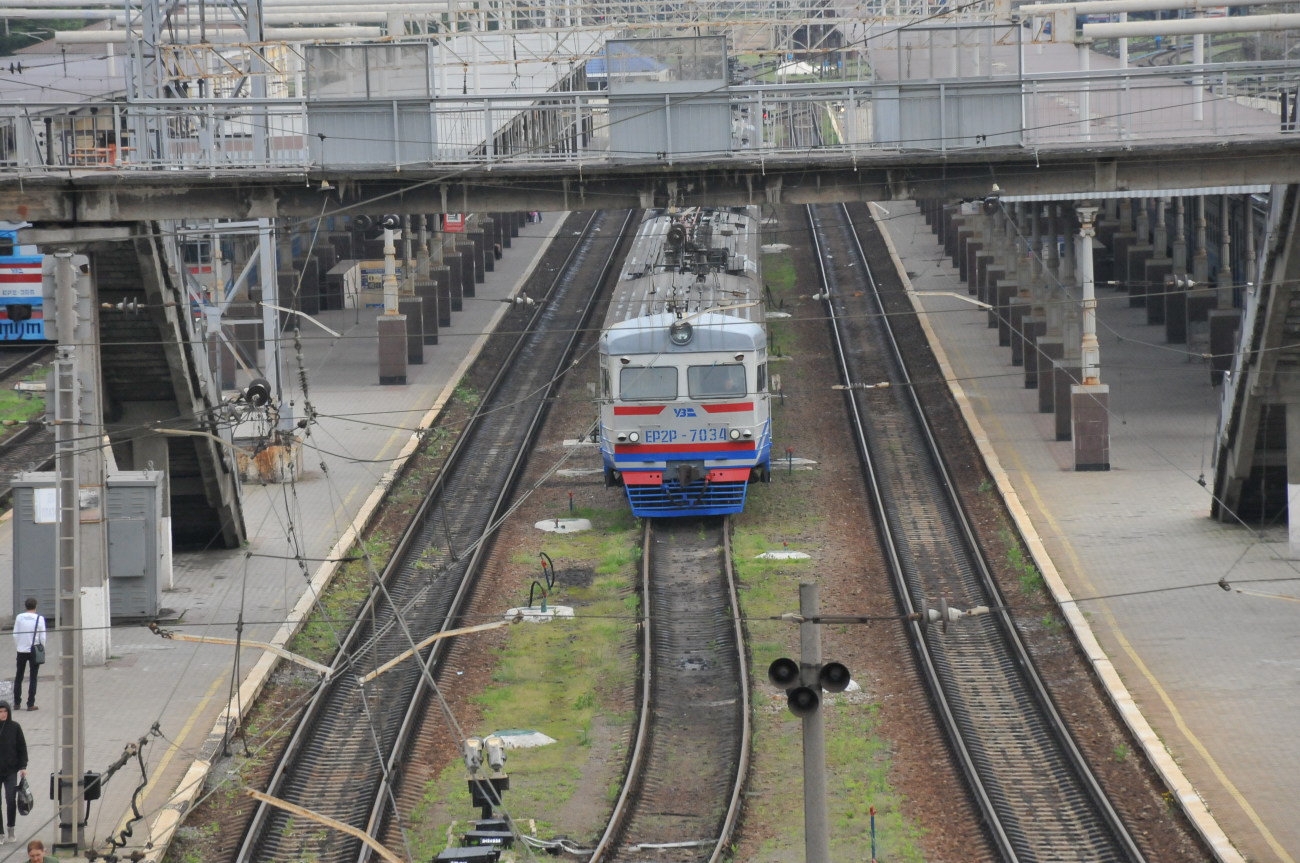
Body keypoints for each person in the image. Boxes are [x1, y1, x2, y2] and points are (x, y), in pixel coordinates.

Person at [0, 703, 27, 844]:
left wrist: (23, 766)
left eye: (5, 711)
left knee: (10, 800)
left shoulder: (14, 727)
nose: (3, 714)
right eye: (0, 711)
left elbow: (22, 747)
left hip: (10, 770)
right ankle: (0, 833)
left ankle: (11, 828)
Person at [13, 599, 46, 711]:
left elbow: (15, 634)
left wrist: (19, 645)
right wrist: (42, 648)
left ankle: (17, 703)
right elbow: (43, 637)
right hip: (34, 650)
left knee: (19, 676)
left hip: (21, 650)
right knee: (33, 677)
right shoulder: (39, 618)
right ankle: (30, 704)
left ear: (25, 606)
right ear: (35, 606)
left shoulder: (19, 617)